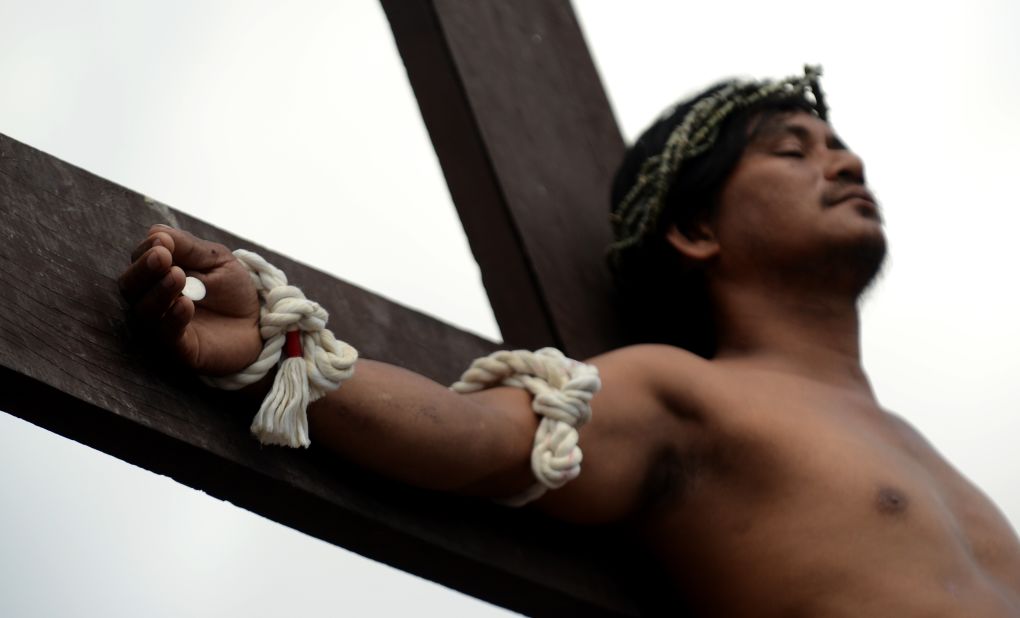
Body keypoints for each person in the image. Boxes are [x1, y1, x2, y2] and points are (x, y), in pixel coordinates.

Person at [118, 67, 1020, 616]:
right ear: (697, 229)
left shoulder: (945, 464)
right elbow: (468, 439)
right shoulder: (685, 395)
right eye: (794, 150)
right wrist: (275, 345)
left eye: (840, 147)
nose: (848, 162)